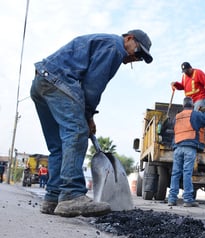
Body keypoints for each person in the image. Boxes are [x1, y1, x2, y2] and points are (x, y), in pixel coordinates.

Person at [31, 29, 153, 217]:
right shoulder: (115, 47)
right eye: (137, 52)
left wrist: (87, 115)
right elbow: (92, 86)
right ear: (129, 39)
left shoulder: (104, 42)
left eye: (140, 58)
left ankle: (53, 197)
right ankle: (71, 195)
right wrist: (87, 117)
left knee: (58, 146)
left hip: (41, 82)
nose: (135, 58)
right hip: (58, 81)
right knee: (77, 132)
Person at [168, 97, 205, 207]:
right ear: (193, 105)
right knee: (187, 173)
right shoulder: (195, 114)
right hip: (189, 146)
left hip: (177, 147)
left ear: (183, 106)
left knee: (175, 173)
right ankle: (188, 200)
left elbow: (173, 129)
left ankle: (172, 199)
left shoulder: (177, 117)